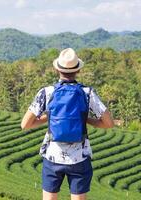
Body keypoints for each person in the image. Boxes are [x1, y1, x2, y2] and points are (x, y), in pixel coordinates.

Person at [21, 48, 115, 200]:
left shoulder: (46, 92)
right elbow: (109, 123)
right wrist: (85, 119)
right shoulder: (87, 92)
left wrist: (48, 117)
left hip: (53, 156)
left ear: (57, 69)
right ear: (77, 71)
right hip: (79, 157)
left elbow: (25, 124)